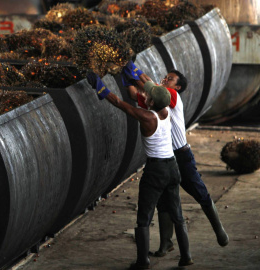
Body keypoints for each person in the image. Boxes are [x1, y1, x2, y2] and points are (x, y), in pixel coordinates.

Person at [121, 61, 229, 258]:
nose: (165, 79)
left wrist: (134, 70)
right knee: (164, 202)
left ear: (177, 87)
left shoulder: (172, 96)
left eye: (170, 79)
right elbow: (132, 95)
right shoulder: (155, 100)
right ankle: (166, 244)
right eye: (166, 76)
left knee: (199, 191)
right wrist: (123, 76)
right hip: (166, 158)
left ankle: (219, 230)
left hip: (181, 155)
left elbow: (149, 86)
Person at [87, 73, 193, 269]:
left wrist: (100, 88)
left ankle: (143, 261)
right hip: (172, 167)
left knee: (144, 215)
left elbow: (119, 103)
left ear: (151, 102)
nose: (145, 96)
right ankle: (186, 256)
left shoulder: (147, 117)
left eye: (148, 96)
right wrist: (133, 74)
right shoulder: (166, 113)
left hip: (156, 170)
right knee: (177, 213)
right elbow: (153, 92)